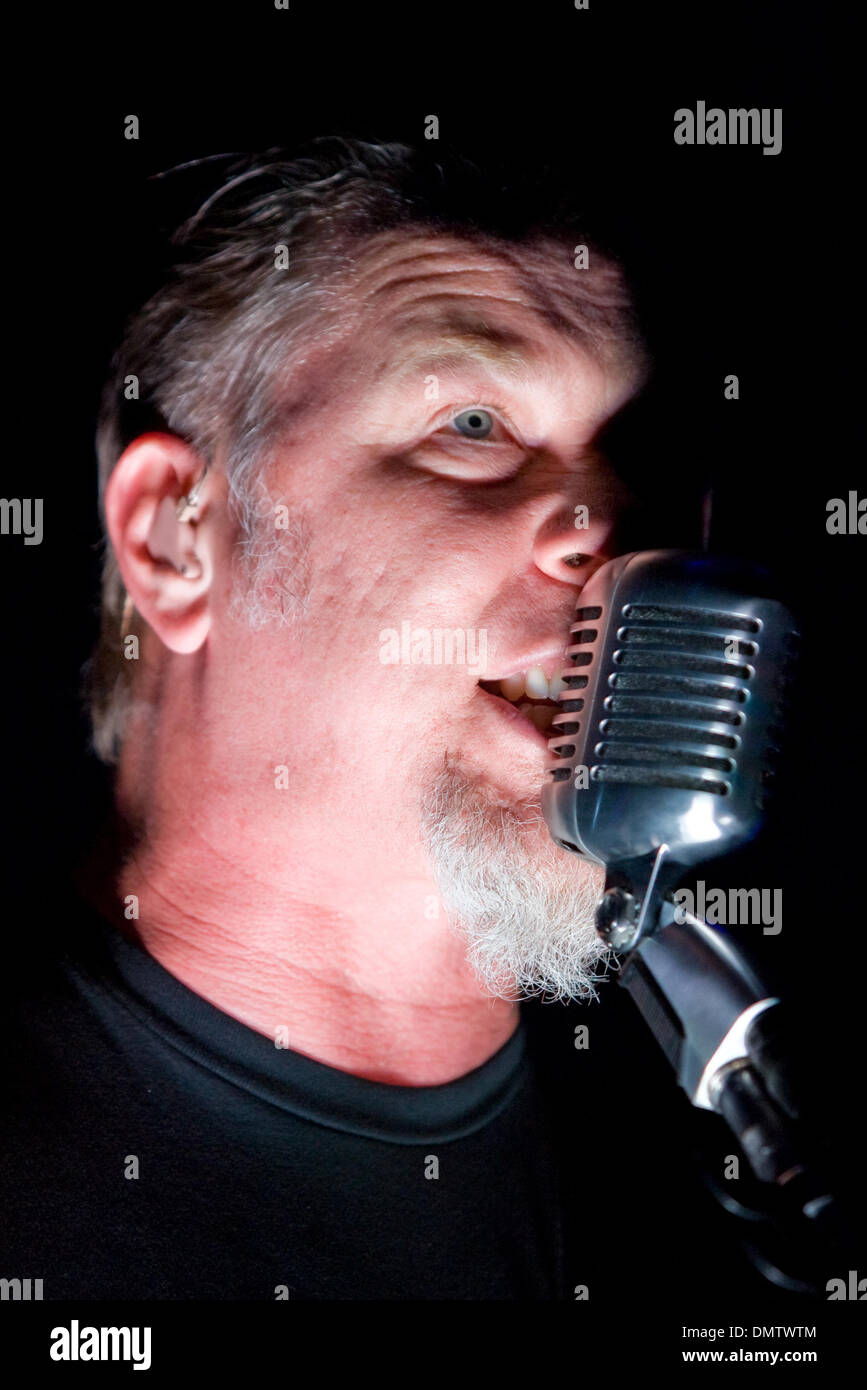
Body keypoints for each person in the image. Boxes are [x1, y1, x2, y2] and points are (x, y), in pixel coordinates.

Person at [0, 137, 757, 1301]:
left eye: (627, 461)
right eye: (473, 427)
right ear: (175, 537)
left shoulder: (729, 1185)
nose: (606, 527)